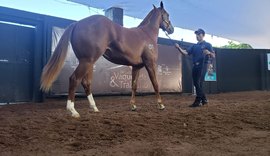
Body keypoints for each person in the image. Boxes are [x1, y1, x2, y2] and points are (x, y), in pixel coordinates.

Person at [175, 29, 215, 107]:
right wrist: (178, 48)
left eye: (199, 34)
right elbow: (185, 53)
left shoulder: (208, 44)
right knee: (197, 84)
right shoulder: (194, 46)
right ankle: (204, 100)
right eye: (196, 34)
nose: (197, 36)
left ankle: (198, 101)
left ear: (203, 35)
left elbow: (213, 55)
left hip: (203, 65)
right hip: (195, 66)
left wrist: (209, 52)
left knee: (198, 83)